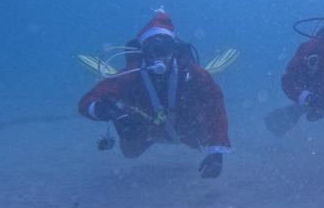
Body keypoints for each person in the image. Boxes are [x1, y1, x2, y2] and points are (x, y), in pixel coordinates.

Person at [78, 10, 230, 178]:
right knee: (130, 151)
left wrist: (216, 151)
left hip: (185, 127)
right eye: (153, 49)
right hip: (146, 127)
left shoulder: (194, 74)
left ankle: (121, 93)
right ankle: (122, 98)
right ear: (143, 50)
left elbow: (215, 109)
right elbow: (86, 103)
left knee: (201, 137)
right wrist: (115, 113)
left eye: (165, 47)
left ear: (174, 48)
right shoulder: (131, 74)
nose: (160, 55)